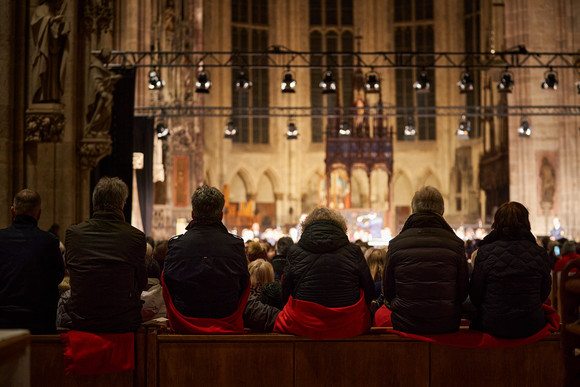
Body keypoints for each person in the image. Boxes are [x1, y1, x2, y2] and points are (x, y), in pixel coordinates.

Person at [276, 208, 375, 339]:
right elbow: (369, 290)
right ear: (340, 226)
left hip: (305, 323)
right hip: (349, 323)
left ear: (307, 226)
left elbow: (285, 292)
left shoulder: (295, 251)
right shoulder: (354, 251)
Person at [162, 185, 250, 333]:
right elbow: (244, 284)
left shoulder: (176, 244)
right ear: (221, 216)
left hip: (184, 321)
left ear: (192, 214)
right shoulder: (235, 245)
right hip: (226, 319)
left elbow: (167, 283)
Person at [65, 177, 147, 332]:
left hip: (82, 319)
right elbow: (141, 281)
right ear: (122, 205)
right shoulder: (135, 237)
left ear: (94, 203)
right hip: (122, 321)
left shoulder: (74, 234)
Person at [383, 186, 469, 334]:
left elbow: (388, 292)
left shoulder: (396, 244)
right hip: (446, 324)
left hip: (405, 323)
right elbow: (462, 292)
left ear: (413, 209)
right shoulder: (456, 245)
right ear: (441, 211)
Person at [469, 201, 552, 338]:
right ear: (526, 223)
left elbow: (475, 295)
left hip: (494, 324)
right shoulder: (539, 253)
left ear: (497, 223)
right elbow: (544, 293)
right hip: (531, 324)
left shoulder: (485, 252)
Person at [0, 189, 64, 333]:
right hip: (39, 322)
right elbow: (58, 277)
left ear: (12, 211)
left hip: (2, 322)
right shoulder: (49, 242)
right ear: (39, 213)